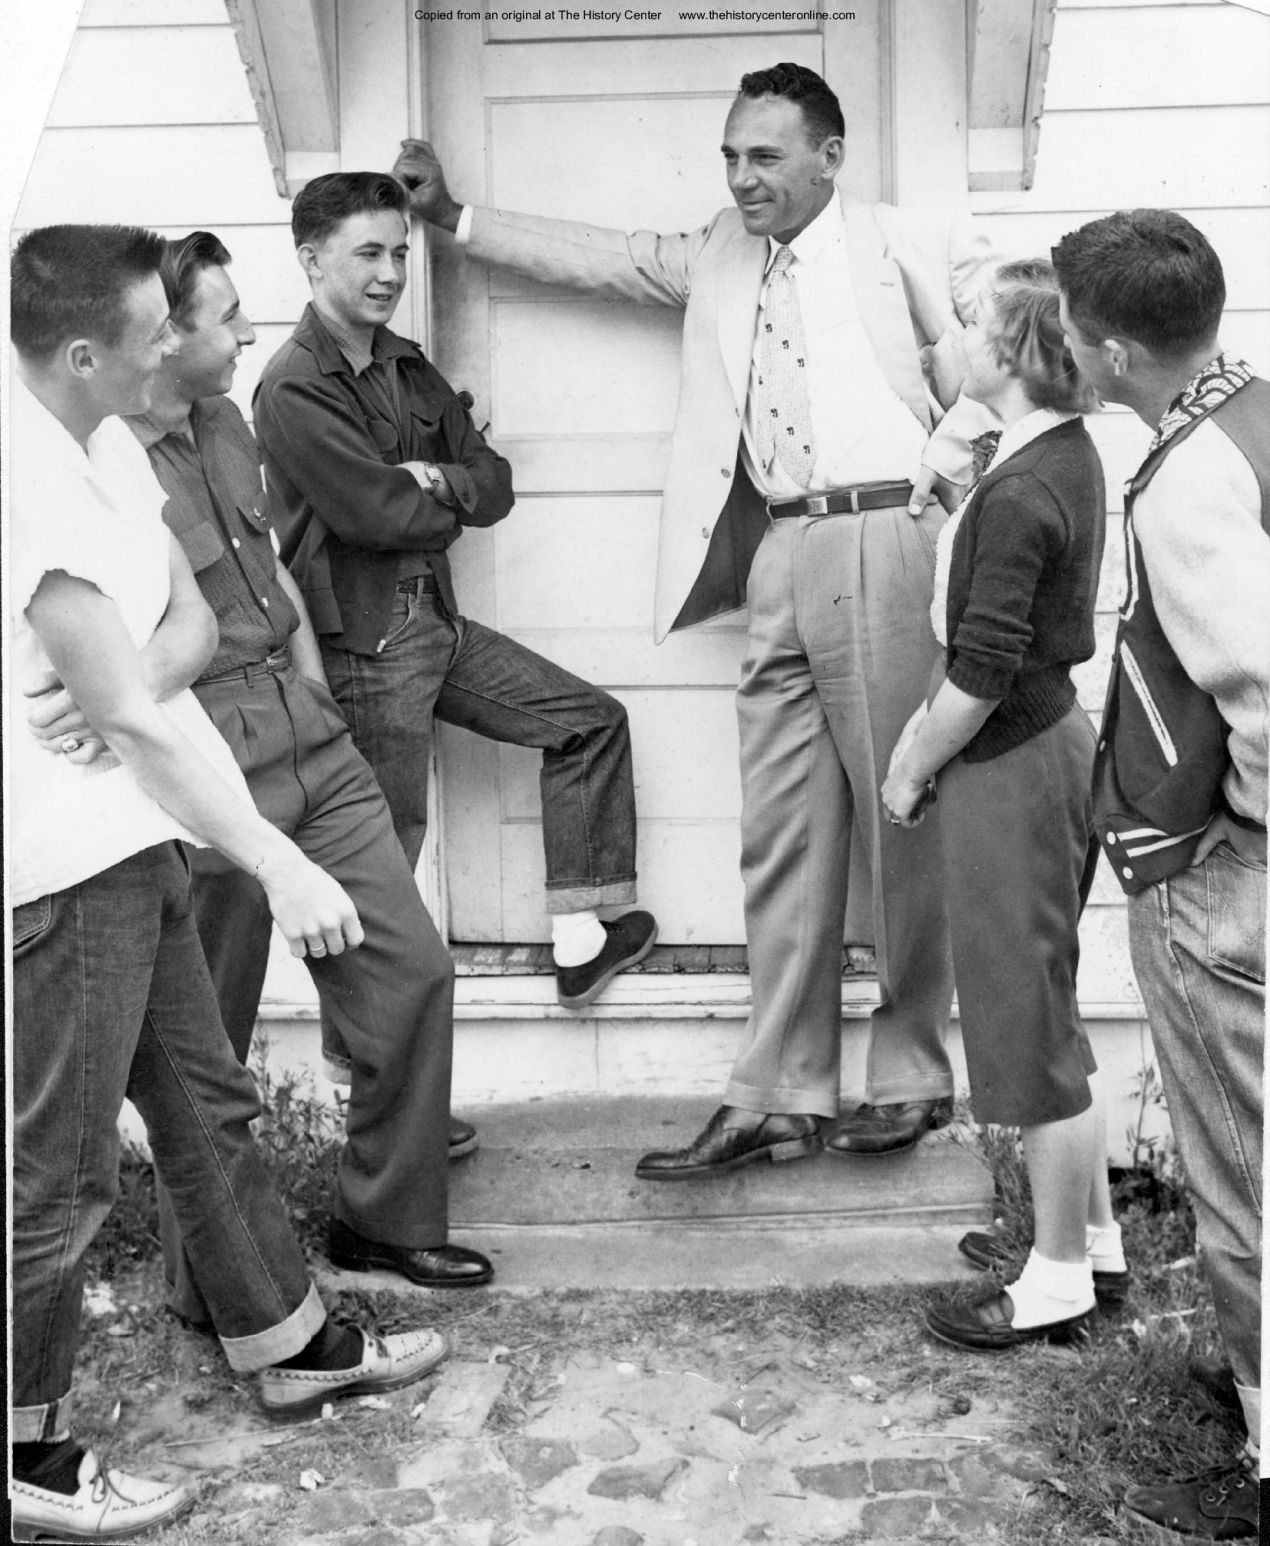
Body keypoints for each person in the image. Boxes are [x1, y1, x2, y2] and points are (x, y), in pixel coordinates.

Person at [394, 61, 999, 1171]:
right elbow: (609, 259)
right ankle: (779, 1090)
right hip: (777, 550)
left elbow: (1009, 354)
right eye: (729, 155)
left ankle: (911, 1070)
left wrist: (951, 463)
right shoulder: (722, 248)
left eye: (764, 156)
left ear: (830, 156)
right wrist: (454, 220)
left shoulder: (903, 240)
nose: (740, 176)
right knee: (782, 834)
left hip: (886, 538)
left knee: (900, 816)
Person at [8, 224, 447, 1542]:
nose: (179, 352)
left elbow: (180, 631)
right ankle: (23, 1445)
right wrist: (274, 855)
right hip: (63, 868)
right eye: (156, 333)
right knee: (62, 1174)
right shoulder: (28, 478)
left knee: (205, 1105)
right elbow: (133, 713)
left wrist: (132, 673)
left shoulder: (101, 453)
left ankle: (288, 1338)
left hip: (130, 840)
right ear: (86, 350)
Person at [115, 230, 486, 1295]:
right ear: (165, 332)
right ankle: (215, 1286)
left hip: (303, 722)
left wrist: (315, 681)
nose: (248, 334)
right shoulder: (98, 462)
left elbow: (269, 556)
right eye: (226, 319)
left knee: (409, 968)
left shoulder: (227, 419)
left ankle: (385, 1219)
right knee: (209, 1046)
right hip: (203, 754)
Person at [251, 172, 657, 1010]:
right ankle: (364, 1076)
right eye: (369, 252)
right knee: (382, 861)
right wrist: (434, 497)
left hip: (434, 619)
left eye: (399, 251)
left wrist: (430, 476)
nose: (391, 272)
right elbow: (373, 513)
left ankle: (581, 938)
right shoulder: (294, 383)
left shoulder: (405, 362)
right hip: (365, 646)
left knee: (588, 723)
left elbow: (494, 483)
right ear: (311, 259)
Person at [1053, 210, 1265, 1541]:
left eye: (1075, 330)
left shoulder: (1187, 481)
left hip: (1227, 880)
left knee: (1244, 1175)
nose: (1064, 347)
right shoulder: (1251, 411)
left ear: (1116, 347)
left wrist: (1235, 845)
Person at [880, 260, 1127, 1352]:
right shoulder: (1041, 457)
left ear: (1023, 351)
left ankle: (1057, 1277)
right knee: (1047, 1009)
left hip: (1011, 760)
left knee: (1025, 1029)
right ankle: (1092, 1237)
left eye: (973, 322)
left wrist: (906, 765)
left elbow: (980, 674)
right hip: (1041, 748)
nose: (956, 337)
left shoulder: (1027, 486)